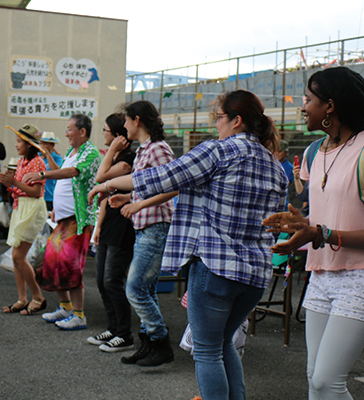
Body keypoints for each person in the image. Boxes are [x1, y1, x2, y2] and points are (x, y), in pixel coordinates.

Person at [90, 89, 288, 398]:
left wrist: (107, 183)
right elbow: (277, 224)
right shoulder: (274, 165)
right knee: (222, 343)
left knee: (208, 350)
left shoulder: (218, 151)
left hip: (215, 267)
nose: (216, 125)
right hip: (254, 274)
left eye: (218, 118)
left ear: (236, 121)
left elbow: (163, 177)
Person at [263, 67, 364, 400]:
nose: (303, 106)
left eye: (308, 99)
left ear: (330, 106)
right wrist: (300, 223)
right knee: (313, 378)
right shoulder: (312, 153)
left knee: (326, 381)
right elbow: (331, 215)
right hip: (320, 274)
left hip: (362, 278)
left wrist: (319, 233)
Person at [106, 101, 179, 364]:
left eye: (125, 121)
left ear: (137, 120)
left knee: (135, 288)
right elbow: (149, 186)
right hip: (145, 225)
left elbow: (173, 186)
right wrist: (128, 198)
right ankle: (149, 343)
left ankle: (159, 340)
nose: (124, 126)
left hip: (155, 225)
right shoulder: (145, 149)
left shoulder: (158, 149)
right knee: (144, 289)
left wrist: (137, 203)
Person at [22, 114, 101, 330]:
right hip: (64, 219)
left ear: (82, 132)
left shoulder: (91, 153)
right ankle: (66, 308)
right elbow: (62, 175)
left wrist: (41, 172)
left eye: (69, 129)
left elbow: (73, 172)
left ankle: (79, 315)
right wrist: (48, 156)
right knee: (52, 263)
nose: (66, 134)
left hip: (78, 220)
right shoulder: (70, 152)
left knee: (69, 267)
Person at [88, 113, 138, 353]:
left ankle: (124, 334)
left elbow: (100, 178)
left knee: (112, 280)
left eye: (106, 130)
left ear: (118, 136)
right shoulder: (117, 158)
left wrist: (109, 152)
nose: (103, 134)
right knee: (101, 280)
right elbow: (104, 199)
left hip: (123, 226)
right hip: (108, 224)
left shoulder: (127, 160)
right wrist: (98, 227)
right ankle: (113, 327)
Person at [0, 124, 49, 315]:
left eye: (19, 141)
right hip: (21, 207)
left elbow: (35, 192)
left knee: (17, 256)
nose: (16, 145)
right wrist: (2, 180)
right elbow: (18, 189)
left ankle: (37, 297)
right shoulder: (23, 161)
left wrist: (12, 182)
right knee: (17, 258)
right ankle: (22, 298)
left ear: (29, 144)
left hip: (31, 208)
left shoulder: (37, 162)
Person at [39, 131, 65, 211]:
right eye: (42, 143)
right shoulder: (37, 156)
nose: (43, 146)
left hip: (50, 196)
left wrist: (47, 155)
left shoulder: (57, 157)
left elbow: (57, 171)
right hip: (38, 196)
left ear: (52, 145)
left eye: (46, 144)